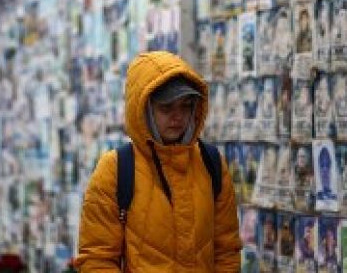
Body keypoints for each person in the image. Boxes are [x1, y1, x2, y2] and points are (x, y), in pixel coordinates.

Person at [74, 52, 241, 271]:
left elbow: (227, 251)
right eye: (166, 107)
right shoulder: (115, 169)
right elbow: (97, 259)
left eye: (186, 106)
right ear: (143, 109)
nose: (178, 116)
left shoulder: (212, 163)